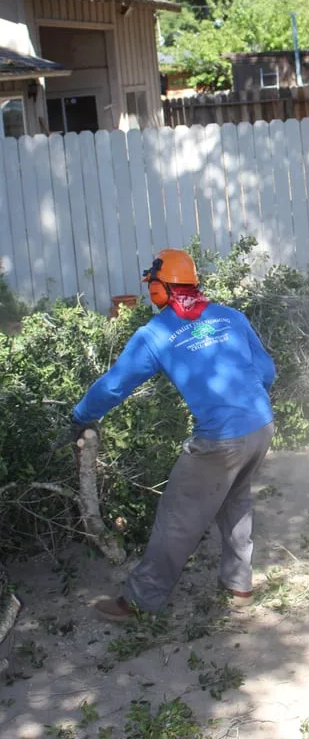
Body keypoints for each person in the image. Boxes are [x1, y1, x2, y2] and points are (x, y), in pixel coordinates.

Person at [69, 249, 275, 623]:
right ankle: (239, 585)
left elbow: (114, 385)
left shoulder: (156, 333)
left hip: (219, 440)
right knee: (235, 500)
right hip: (261, 426)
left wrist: (81, 415)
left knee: (178, 517)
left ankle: (140, 601)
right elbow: (267, 372)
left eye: (152, 285)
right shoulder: (230, 316)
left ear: (159, 289)